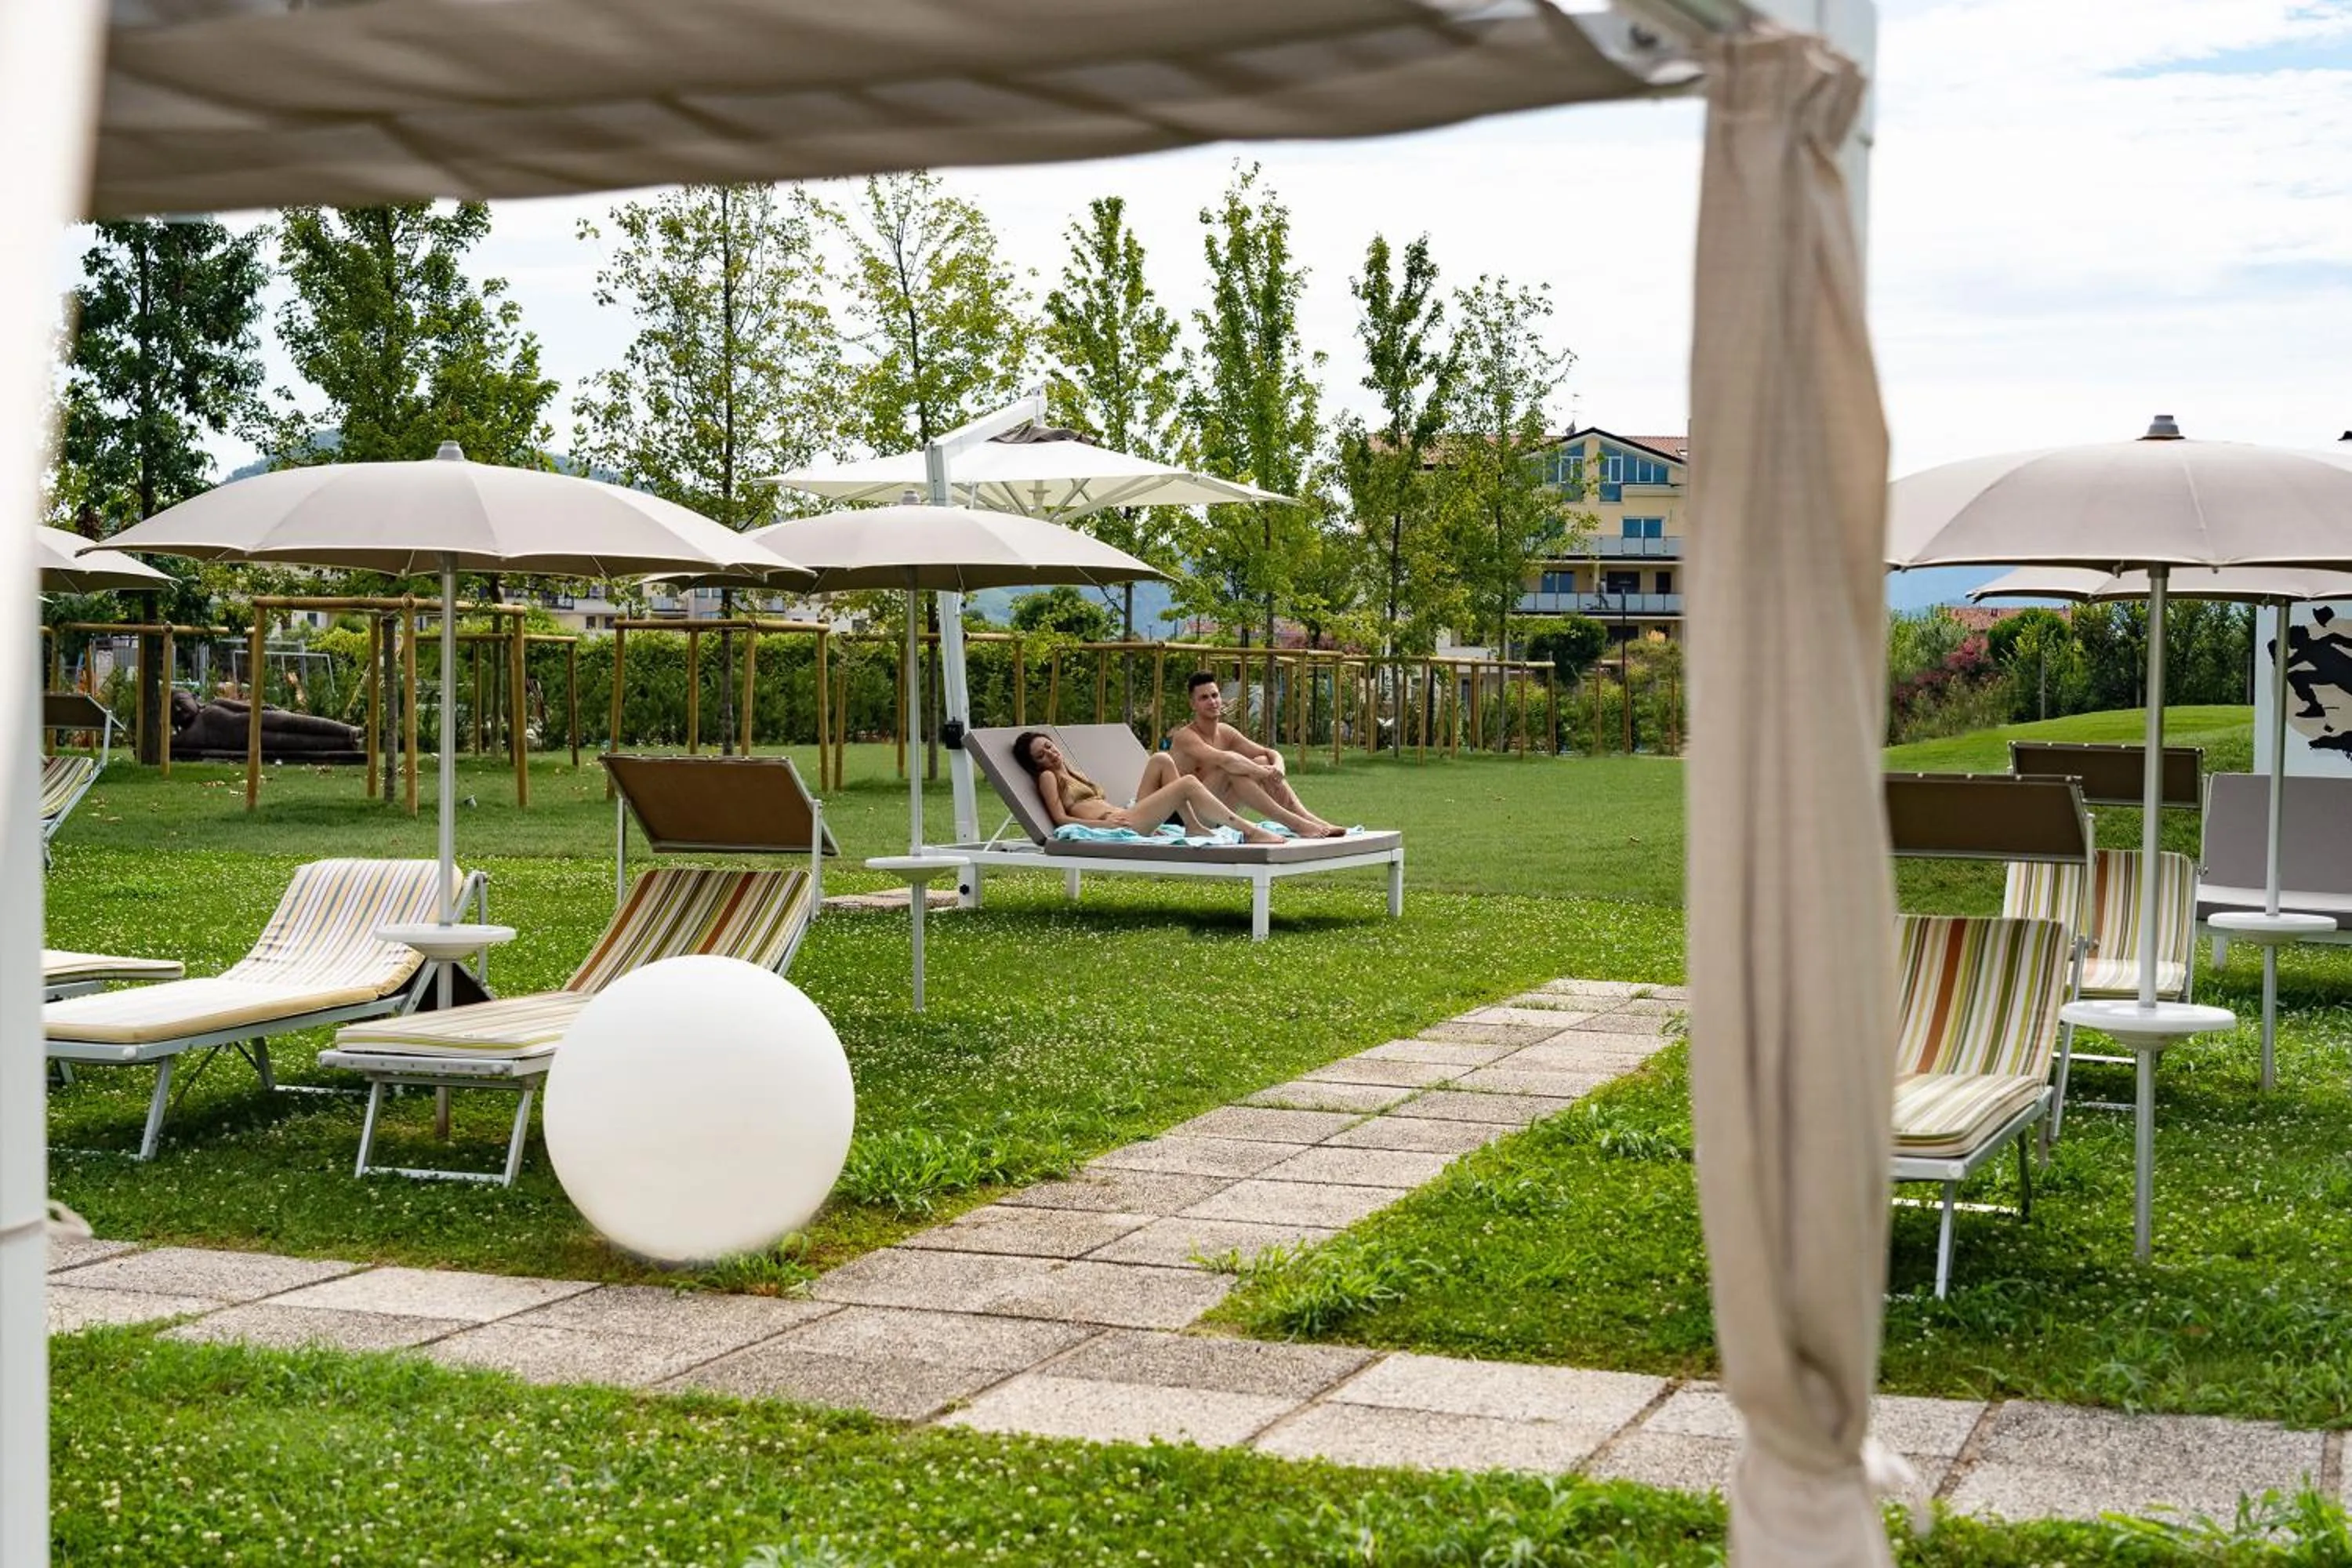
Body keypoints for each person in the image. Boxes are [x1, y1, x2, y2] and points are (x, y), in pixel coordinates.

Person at [1011, 730, 1284, 844]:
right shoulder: (1049, 778)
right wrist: (1106, 827)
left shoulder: (1074, 773)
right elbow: (1060, 820)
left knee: (1161, 759)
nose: (1050, 754)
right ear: (1036, 765)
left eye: (1048, 746)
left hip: (1127, 814)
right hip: (1117, 823)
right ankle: (1250, 831)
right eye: (1041, 755)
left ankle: (1192, 825)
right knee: (1188, 783)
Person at [1167, 671, 1345, 837]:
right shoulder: (1186, 737)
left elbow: (1269, 753)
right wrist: (1265, 773)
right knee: (1228, 770)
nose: (1212, 702)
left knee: (1261, 760)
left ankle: (1310, 819)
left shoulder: (1225, 732)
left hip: (1218, 814)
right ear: (1193, 704)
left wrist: (1278, 767)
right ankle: (1296, 824)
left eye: (1215, 695)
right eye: (1204, 698)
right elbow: (1226, 760)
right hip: (1187, 818)